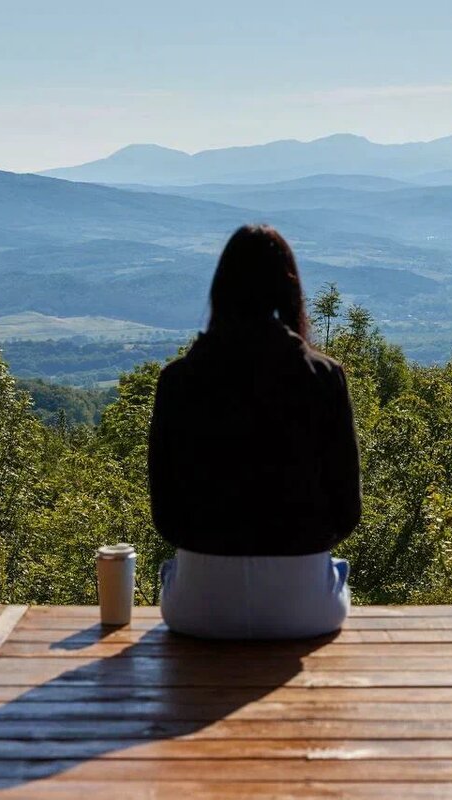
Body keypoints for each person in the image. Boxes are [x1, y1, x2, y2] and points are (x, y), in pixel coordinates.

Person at [148, 225, 362, 639]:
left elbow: (166, 516)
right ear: (289, 289)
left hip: (199, 608)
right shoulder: (323, 377)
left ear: (221, 288)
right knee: (335, 571)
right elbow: (346, 510)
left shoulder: (177, 381)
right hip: (304, 609)